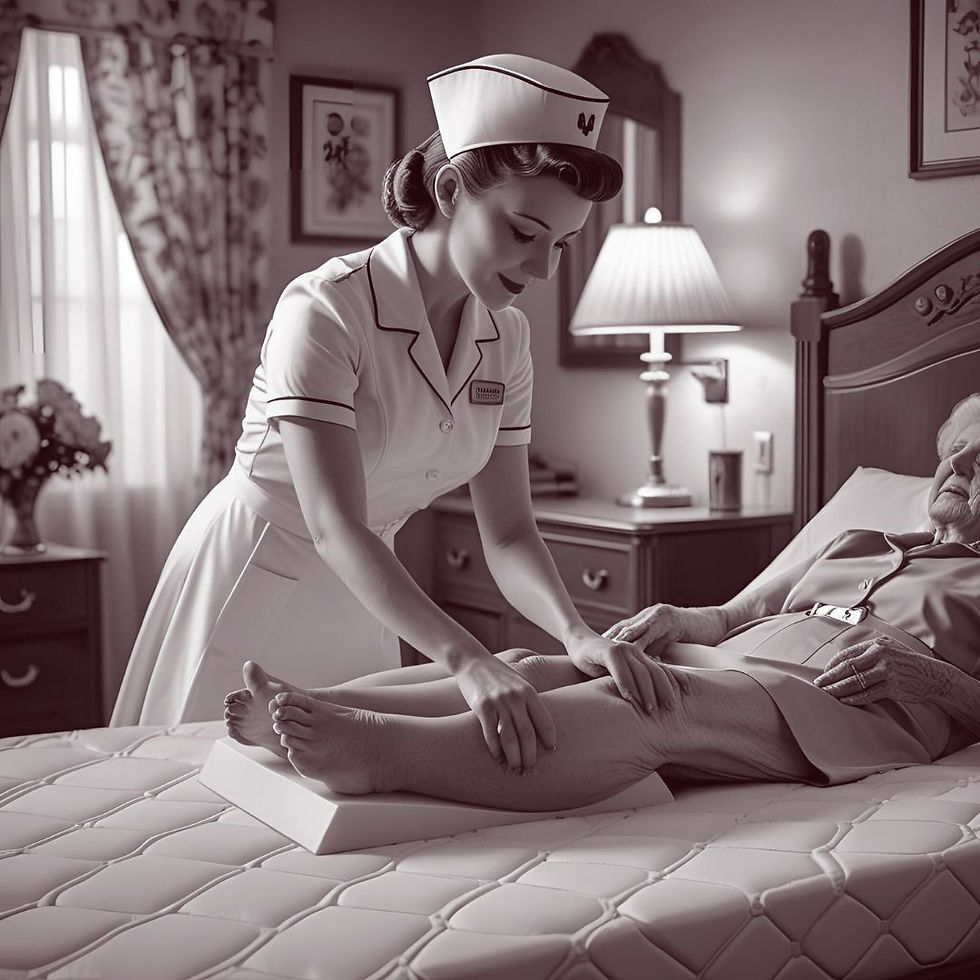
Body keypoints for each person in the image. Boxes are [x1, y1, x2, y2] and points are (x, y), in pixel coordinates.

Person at [112, 54, 661, 767]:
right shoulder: (325, 309)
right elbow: (332, 522)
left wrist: (576, 632)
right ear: (451, 188)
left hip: (370, 593)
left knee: (344, 801)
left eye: (561, 244)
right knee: (199, 791)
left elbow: (511, 532)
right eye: (526, 233)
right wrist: (466, 661)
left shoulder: (508, 338)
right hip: (254, 572)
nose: (544, 269)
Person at [224, 394, 980, 811]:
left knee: (654, 705)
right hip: (743, 659)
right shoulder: (861, 535)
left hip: (850, 704)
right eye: (956, 448)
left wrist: (934, 682)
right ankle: (317, 702)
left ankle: (379, 753)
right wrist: (676, 619)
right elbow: (733, 614)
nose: (955, 465)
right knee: (532, 664)